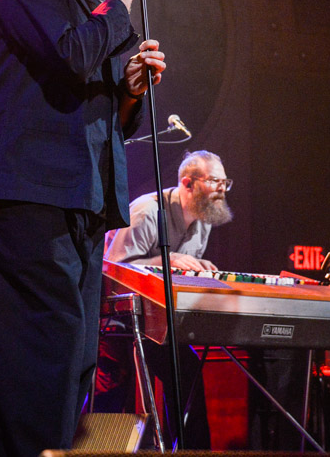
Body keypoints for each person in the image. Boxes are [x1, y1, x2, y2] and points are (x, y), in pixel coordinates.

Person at [0, 0, 167, 456]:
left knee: (73, 363)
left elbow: (113, 122)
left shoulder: (89, 10)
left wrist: (130, 88)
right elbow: (71, 58)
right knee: (40, 364)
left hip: (78, 202)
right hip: (25, 196)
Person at [95, 150, 233, 448]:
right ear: (188, 184)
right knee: (113, 384)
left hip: (157, 321)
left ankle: (192, 452)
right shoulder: (147, 212)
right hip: (117, 320)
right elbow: (113, 271)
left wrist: (198, 273)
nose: (222, 189)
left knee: (187, 372)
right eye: (214, 181)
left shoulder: (203, 219)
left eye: (225, 182)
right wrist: (169, 260)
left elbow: (176, 275)